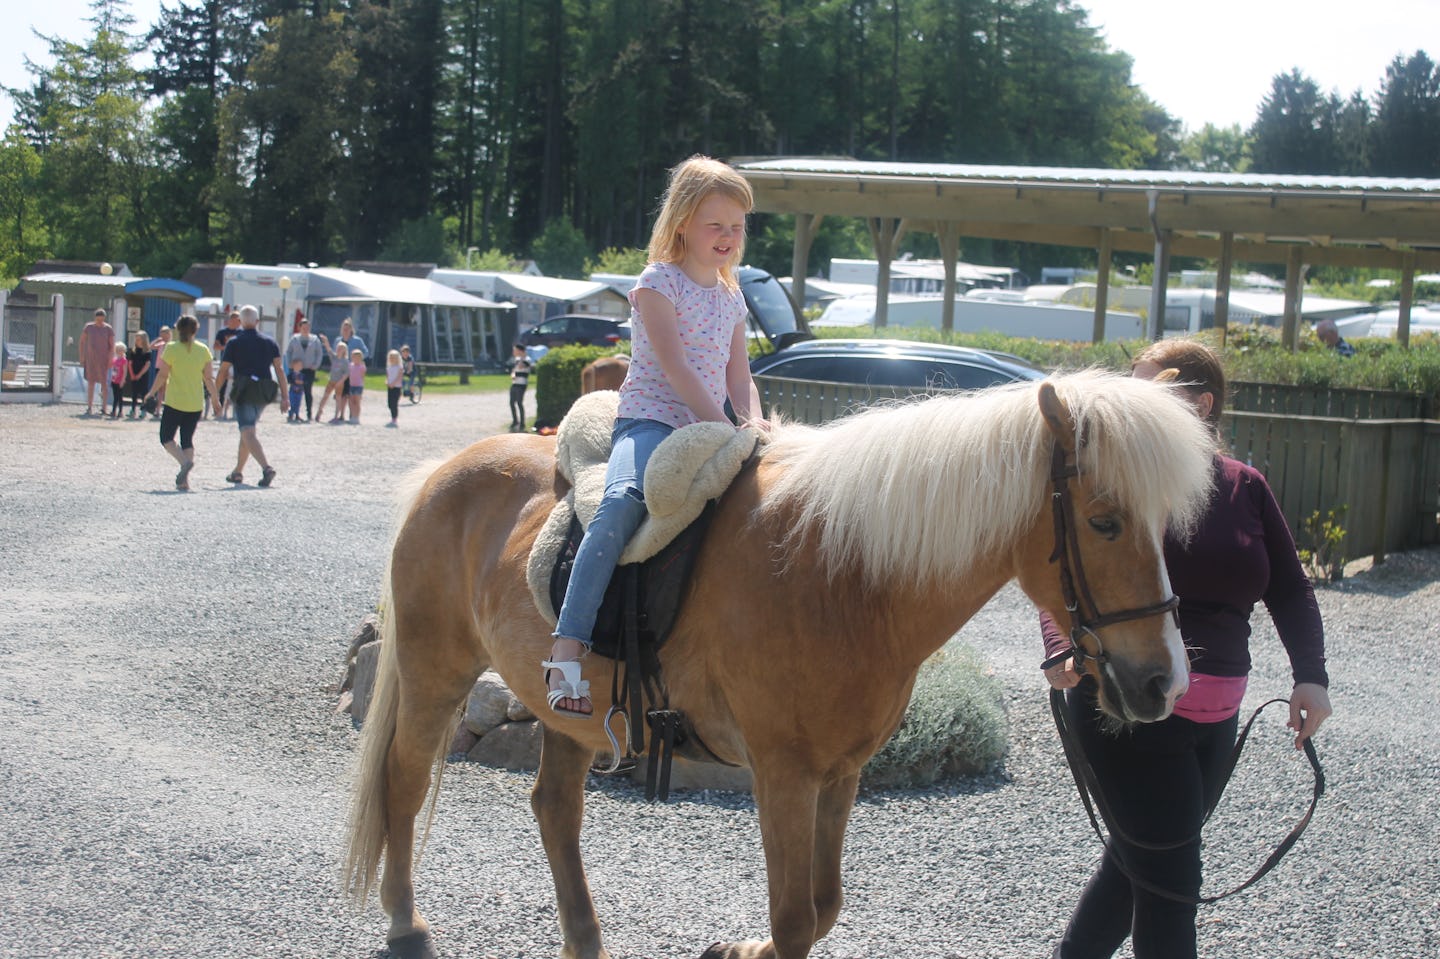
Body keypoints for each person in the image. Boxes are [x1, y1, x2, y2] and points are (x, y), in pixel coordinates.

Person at [1039, 337, 1333, 959]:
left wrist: (1311, 675)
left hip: (1216, 718)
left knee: (1137, 864)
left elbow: (1290, 588)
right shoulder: (1123, 483)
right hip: (1128, 703)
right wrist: (1060, 642)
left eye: (1148, 391)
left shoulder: (1246, 487)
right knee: (1171, 882)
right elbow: (1066, 568)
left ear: (1202, 405)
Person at [543, 155, 770, 717]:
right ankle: (566, 648)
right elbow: (676, 368)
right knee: (620, 504)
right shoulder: (657, 283)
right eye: (715, 225)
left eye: (736, 226)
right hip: (651, 420)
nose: (727, 236)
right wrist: (723, 427)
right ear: (683, 223)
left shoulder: (731, 296)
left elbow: (739, 376)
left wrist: (754, 425)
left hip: (709, 425)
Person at [214, 305, 288, 487]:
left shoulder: (234, 343)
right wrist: (285, 396)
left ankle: (266, 468)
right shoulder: (270, 342)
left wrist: (215, 394)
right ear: (257, 321)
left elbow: (223, 371)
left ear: (240, 322)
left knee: (247, 431)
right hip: (264, 391)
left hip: (244, 390)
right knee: (248, 432)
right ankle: (237, 472)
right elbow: (279, 369)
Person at [143, 315, 216, 491]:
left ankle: (184, 463)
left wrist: (151, 393)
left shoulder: (172, 348)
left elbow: (162, 375)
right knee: (187, 439)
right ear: (195, 330)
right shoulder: (203, 350)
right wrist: (215, 398)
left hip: (175, 401)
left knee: (166, 438)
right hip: (195, 403)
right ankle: (184, 481)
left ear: (177, 329)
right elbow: (208, 378)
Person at [284, 318, 325, 420]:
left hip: (309, 369)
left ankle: (309, 413)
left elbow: (319, 353)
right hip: (297, 369)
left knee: (308, 391)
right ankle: (292, 412)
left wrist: (316, 365)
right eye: (304, 328)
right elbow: (288, 352)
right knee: (294, 391)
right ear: (300, 328)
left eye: (307, 327)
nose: (306, 329)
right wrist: (290, 364)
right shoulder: (294, 339)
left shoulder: (315, 340)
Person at [79, 308, 115, 416]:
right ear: (95, 318)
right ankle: (89, 407)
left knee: (104, 384)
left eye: (101, 319)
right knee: (91, 382)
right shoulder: (88, 327)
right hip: (91, 359)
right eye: (98, 319)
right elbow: (82, 342)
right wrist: (82, 357)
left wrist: (110, 359)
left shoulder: (108, 329)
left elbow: (112, 345)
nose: (100, 322)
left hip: (103, 360)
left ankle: (104, 408)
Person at [213, 311, 243, 418]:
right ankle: (218, 409)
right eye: (233, 320)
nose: (236, 323)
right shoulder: (222, 332)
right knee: (222, 386)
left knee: (237, 386)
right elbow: (215, 346)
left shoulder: (241, 333)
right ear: (229, 320)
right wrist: (227, 348)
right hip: (225, 362)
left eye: (238, 321)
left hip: (238, 364)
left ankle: (236, 411)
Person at [318, 341, 350, 423]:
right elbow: (329, 350)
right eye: (338, 348)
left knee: (338, 399)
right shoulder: (334, 358)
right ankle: (319, 411)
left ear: (344, 350)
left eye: (341, 348)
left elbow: (347, 373)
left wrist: (341, 381)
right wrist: (326, 342)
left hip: (339, 382)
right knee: (325, 396)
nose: (339, 350)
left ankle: (336, 416)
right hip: (331, 381)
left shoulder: (345, 361)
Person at [126, 331, 152, 418]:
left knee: (144, 392)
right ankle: (133, 410)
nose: (137, 341)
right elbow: (130, 363)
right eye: (136, 339)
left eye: (139, 339)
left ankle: (143, 410)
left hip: (143, 375)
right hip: (134, 373)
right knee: (134, 392)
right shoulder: (133, 351)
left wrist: (140, 375)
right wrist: (132, 374)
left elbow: (147, 364)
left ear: (144, 340)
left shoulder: (147, 352)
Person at [508, 342, 532, 431]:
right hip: (515, 383)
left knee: (519, 403)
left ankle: (522, 423)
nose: (514, 352)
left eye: (515, 350)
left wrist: (522, 357)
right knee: (511, 403)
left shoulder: (527, 359)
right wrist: (513, 374)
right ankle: (515, 421)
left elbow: (521, 366)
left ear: (520, 350)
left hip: (522, 384)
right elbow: (514, 370)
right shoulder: (517, 359)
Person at [345, 347, 366, 423]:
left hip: (358, 385)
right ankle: (352, 416)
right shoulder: (350, 365)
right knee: (351, 401)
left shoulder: (362, 366)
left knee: (357, 402)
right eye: (354, 357)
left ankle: (356, 417)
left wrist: (362, 384)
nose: (356, 359)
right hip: (351, 385)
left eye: (358, 357)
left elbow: (362, 376)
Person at [108, 344, 129, 419]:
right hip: (114, 380)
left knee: (120, 397)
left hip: (120, 380)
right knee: (115, 397)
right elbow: (112, 369)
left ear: (123, 351)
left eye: (120, 350)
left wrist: (123, 380)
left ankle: (120, 411)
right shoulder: (115, 359)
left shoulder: (124, 360)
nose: (118, 351)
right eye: (117, 350)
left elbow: (125, 371)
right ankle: (113, 411)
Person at [385, 349, 403, 427]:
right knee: (389, 404)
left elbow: (399, 377)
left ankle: (394, 418)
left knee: (394, 403)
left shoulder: (400, 367)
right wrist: (387, 382)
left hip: (396, 387)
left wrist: (393, 383)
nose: (392, 359)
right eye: (391, 357)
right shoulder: (389, 367)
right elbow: (388, 377)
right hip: (390, 387)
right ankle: (393, 416)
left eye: (394, 357)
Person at [286, 359, 306, 423]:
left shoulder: (303, 375)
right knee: (291, 403)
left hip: (300, 391)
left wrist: (302, 382)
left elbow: (305, 382)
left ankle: (297, 415)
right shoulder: (291, 374)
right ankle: (290, 415)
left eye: (300, 365)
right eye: (297, 365)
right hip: (292, 391)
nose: (299, 367)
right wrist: (294, 381)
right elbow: (288, 380)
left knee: (298, 403)